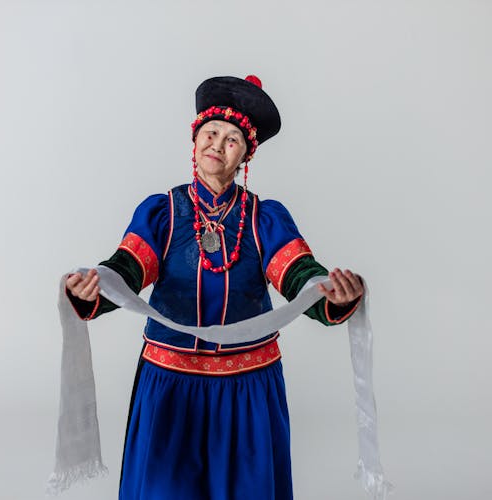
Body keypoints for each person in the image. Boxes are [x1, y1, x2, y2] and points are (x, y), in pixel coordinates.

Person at [65, 75, 364, 500]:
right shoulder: (163, 213)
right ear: (195, 141)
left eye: (232, 140)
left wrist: (330, 294)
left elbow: (299, 274)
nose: (217, 145)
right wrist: (95, 288)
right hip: (171, 382)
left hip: (247, 387)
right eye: (210, 133)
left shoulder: (264, 219)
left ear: (245, 155)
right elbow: (126, 270)